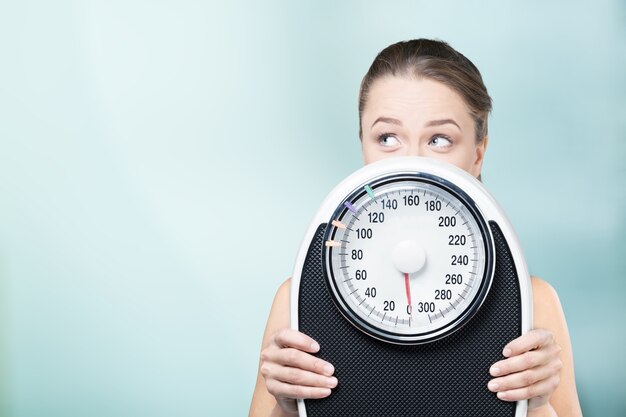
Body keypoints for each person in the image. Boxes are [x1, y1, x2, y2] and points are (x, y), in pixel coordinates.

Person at [249, 39, 582, 417]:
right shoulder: (298, 301)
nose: (411, 163)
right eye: (387, 138)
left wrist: (535, 405)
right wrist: (288, 406)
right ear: (363, 149)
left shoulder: (533, 302)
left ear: (477, 153)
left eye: (440, 140)